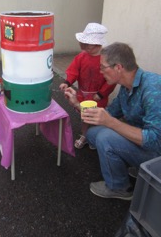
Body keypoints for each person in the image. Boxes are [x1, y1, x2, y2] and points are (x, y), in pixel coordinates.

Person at [65, 42, 161, 200]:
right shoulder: (125, 87)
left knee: (105, 137)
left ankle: (119, 187)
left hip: (157, 155)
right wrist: (76, 103)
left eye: (102, 67)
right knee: (93, 133)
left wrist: (111, 123)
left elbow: (155, 141)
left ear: (118, 67)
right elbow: (107, 114)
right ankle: (136, 167)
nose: (100, 71)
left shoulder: (153, 89)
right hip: (143, 143)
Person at [59, 23, 116, 149]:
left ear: (98, 44)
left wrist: (101, 93)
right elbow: (73, 71)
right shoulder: (81, 57)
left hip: (99, 95)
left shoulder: (106, 59)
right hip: (83, 93)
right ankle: (85, 135)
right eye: (85, 46)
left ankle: (95, 137)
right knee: (84, 116)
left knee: (96, 117)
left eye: (89, 46)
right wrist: (67, 82)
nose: (86, 49)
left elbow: (111, 80)